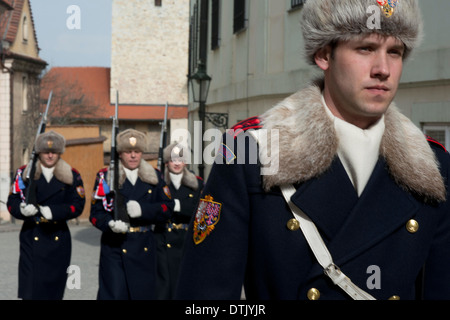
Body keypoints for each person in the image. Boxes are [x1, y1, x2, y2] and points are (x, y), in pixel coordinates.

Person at [176, 0, 450, 300]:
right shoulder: (253, 154)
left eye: (394, 52)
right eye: (365, 49)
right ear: (323, 54)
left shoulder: (433, 166)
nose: (383, 69)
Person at [90, 128, 174, 300]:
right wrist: (109, 224)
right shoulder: (106, 176)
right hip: (115, 248)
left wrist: (144, 210)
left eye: (137, 151)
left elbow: (168, 207)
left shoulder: (154, 176)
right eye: (128, 152)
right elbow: (95, 212)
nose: (133, 156)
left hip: (143, 245)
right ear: (120, 153)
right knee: (114, 295)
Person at [7, 130, 86, 300]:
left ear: (60, 153)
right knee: (31, 291)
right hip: (32, 236)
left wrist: (54, 212)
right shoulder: (25, 173)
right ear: (38, 152)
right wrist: (21, 210)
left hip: (57, 236)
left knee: (53, 291)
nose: (50, 155)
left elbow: (78, 205)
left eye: (54, 152)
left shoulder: (71, 175)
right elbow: (12, 201)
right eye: (45, 151)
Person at [154, 143, 203, 299]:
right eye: (172, 159)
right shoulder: (158, 183)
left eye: (180, 159)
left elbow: (200, 210)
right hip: (162, 239)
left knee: (183, 285)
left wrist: (176, 205)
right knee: (163, 287)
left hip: (185, 239)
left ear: (186, 162)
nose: (176, 163)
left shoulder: (197, 183)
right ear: (167, 162)